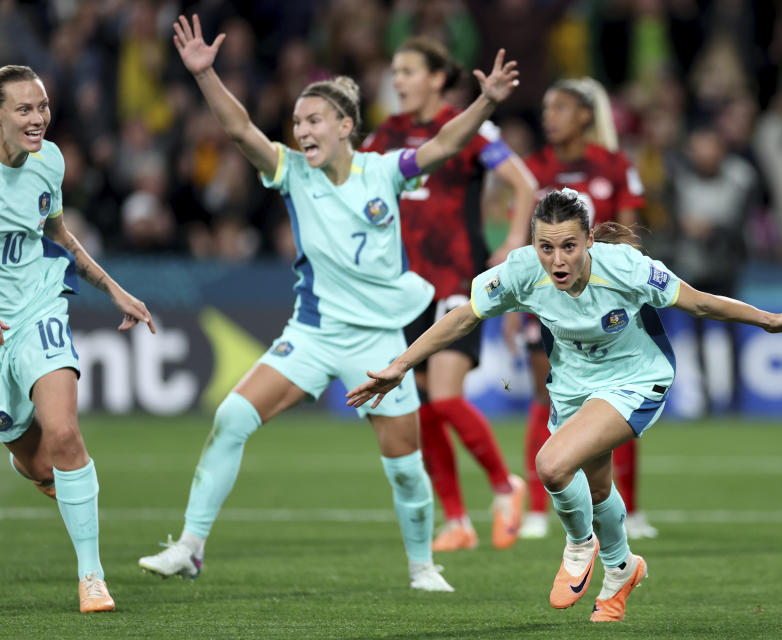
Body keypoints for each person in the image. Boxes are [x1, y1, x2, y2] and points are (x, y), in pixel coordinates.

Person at [137, 15, 519, 592]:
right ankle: (190, 548)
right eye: (295, 122)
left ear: (344, 126)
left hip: (378, 343)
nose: (301, 131)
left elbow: (444, 144)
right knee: (232, 417)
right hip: (312, 335)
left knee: (405, 469)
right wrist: (206, 75)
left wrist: (486, 103)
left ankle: (422, 567)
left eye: (313, 120)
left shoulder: (384, 171)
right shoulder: (292, 173)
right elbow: (241, 132)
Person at [347, 188, 782, 621]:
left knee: (551, 465)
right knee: (595, 488)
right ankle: (621, 569)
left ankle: (579, 544)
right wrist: (402, 364)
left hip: (636, 378)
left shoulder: (625, 267)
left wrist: (766, 319)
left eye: (569, 246)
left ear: (590, 239)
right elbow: (462, 317)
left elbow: (699, 304)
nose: (557, 259)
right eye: (546, 247)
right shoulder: (521, 270)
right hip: (572, 386)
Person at [361, 36, 536, 552]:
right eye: (394, 72)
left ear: (438, 77)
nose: (398, 81)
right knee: (421, 405)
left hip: (457, 280)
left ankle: (507, 488)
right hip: (402, 286)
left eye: (409, 71)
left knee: (444, 396)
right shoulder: (387, 133)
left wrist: (510, 240)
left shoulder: (468, 128)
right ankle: (457, 521)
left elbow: (522, 183)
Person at [0, 64, 156, 612]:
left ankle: (92, 578)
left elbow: (59, 235)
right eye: (24, 109)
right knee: (41, 463)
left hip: (38, 307)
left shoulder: (51, 161)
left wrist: (115, 290)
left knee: (65, 435)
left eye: (41, 106)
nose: (38, 118)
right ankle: (29, 464)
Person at [511, 77, 655, 540]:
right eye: (546, 108)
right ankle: (537, 506)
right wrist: (516, 305)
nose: (548, 117)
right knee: (543, 396)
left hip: (607, 302)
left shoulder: (613, 165)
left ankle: (628, 509)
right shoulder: (532, 169)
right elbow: (521, 241)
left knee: (617, 405)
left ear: (586, 116)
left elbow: (628, 231)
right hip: (548, 302)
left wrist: (621, 286)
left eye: (560, 108)